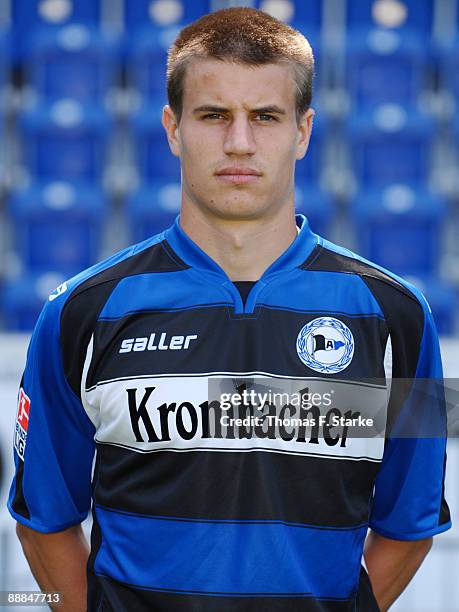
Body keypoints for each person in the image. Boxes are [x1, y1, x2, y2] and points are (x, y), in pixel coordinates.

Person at [8, 7, 451, 612]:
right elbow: (42, 521)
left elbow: (410, 525)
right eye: (213, 115)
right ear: (172, 128)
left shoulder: (402, 316)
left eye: (265, 117)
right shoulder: (77, 313)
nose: (239, 142)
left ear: (303, 131)